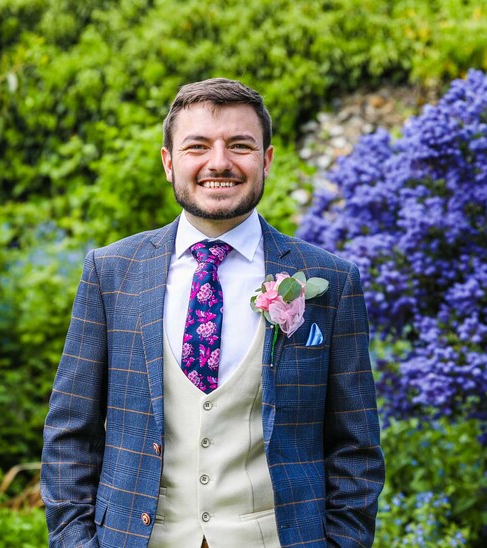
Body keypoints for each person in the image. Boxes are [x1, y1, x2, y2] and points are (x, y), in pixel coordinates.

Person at [41, 78, 384, 548]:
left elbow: (356, 446)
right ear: (168, 162)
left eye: (240, 145)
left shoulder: (330, 280)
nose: (218, 162)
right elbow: (70, 434)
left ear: (266, 160)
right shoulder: (111, 271)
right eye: (197, 146)